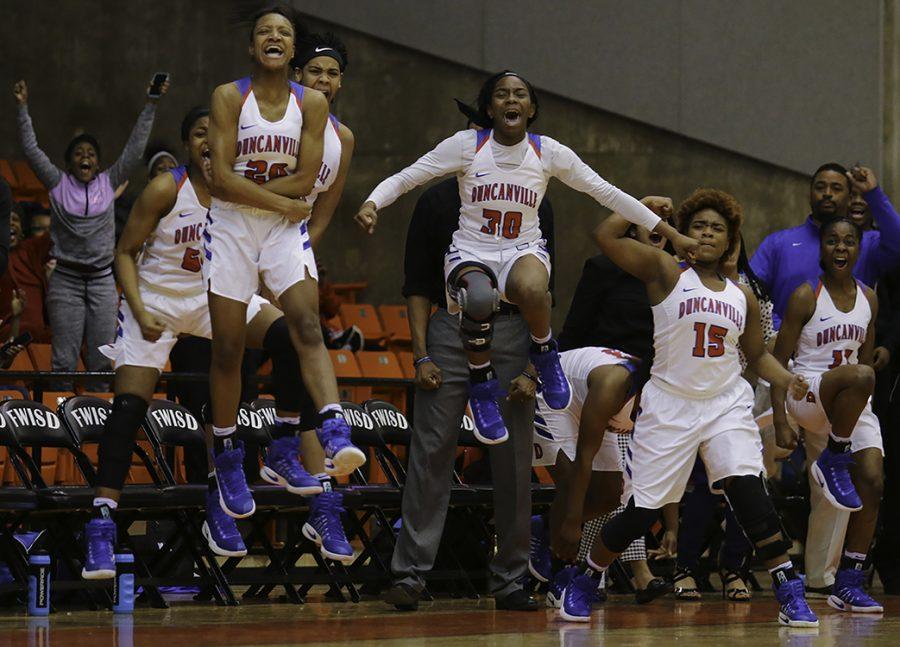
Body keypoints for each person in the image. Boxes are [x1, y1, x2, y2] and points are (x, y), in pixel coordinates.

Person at [80, 106, 357, 581]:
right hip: (159, 301)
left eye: (217, 133)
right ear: (188, 145)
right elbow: (123, 252)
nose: (209, 141)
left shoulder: (244, 194)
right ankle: (101, 523)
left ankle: (279, 449)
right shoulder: (168, 187)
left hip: (215, 296)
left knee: (292, 332)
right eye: (198, 135)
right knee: (128, 407)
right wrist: (141, 310)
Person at [355, 70, 698, 446]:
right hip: (471, 250)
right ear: (490, 107)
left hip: (523, 250)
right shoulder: (467, 144)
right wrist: (374, 201)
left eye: (520, 94)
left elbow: (606, 192)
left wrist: (672, 234)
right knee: (479, 297)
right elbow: (409, 176)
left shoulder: (547, 151)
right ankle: (482, 386)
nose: (511, 100)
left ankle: (546, 355)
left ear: (531, 108)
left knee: (534, 288)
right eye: (502, 94)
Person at [582, 190, 816, 627]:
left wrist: (787, 379)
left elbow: (756, 356)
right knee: (642, 512)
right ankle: (583, 576)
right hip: (670, 404)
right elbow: (606, 235)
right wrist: (647, 211)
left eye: (717, 229)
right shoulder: (665, 270)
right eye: (698, 227)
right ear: (682, 235)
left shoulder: (742, 294)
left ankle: (789, 590)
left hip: (724, 404)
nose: (707, 234)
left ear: (730, 241)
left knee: (749, 491)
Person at [383, 104, 554, 613]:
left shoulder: (536, 194)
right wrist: (419, 356)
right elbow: (416, 284)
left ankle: (511, 579)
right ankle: (410, 574)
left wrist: (529, 366)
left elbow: (545, 290)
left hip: (513, 327)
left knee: (514, 459)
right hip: (450, 327)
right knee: (431, 452)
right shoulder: (436, 201)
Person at [204, 6, 363, 524]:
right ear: (254, 48)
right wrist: (274, 200)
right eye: (263, 33)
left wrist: (266, 201)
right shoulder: (230, 97)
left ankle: (333, 424)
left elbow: (307, 178)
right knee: (228, 348)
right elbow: (220, 181)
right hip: (230, 227)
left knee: (307, 323)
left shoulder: (312, 104)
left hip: (279, 228)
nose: (273, 38)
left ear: (292, 50)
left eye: (283, 33)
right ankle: (228, 453)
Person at [14, 76, 165, 377]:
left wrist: (151, 102)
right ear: (69, 164)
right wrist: (22, 108)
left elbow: (134, 151)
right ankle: (59, 417)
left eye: (91, 154)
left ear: (97, 165)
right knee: (63, 364)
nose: (85, 157)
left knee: (100, 363)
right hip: (66, 281)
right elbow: (31, 150)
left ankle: (97, 418)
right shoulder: (57, 184)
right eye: (79, 154)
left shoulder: (108, 184)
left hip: (101, 282)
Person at [771, 216, 884, 613]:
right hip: (808, 393)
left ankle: (848, 581)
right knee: (862, 373)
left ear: (858, 249)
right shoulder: (805, 295)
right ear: (821, 248)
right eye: (832, 241)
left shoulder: (869, 298)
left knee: (872, 481)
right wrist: (782, 419)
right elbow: (777, 362)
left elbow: (865, 355)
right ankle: (836, 455)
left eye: (848, 241)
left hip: (850, 403)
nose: (840, 248)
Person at [750, 163, 900, 328]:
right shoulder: (778, 243)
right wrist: (776, 329)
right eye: (820, 187)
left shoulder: (866, 243)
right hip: (785, 347)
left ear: (850, 198)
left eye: (836, 188)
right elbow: (748, 289)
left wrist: (873, 194)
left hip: (847, 349)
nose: (827, 194)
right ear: (810, 194)